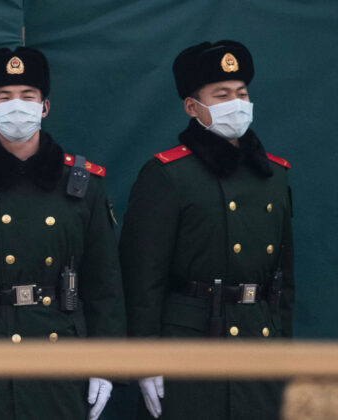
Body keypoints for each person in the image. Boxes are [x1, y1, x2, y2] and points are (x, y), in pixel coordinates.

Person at [0, 46, 126, 420]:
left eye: (28, 96)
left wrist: (105, 360)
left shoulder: (82, 183)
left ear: (44, 107)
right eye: (4, 97)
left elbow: (104, 282)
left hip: (61, 352)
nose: (17, 106)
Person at [119, 40, 294, 420]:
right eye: (221, 94)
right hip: (189, 342)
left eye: (241, 93)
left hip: (257, 340)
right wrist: (145, 359)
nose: (236, 102)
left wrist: (282, 348)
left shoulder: (274, 175)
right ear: (192, 107)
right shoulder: (168, 175)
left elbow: (284, 280)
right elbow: (141, 278)